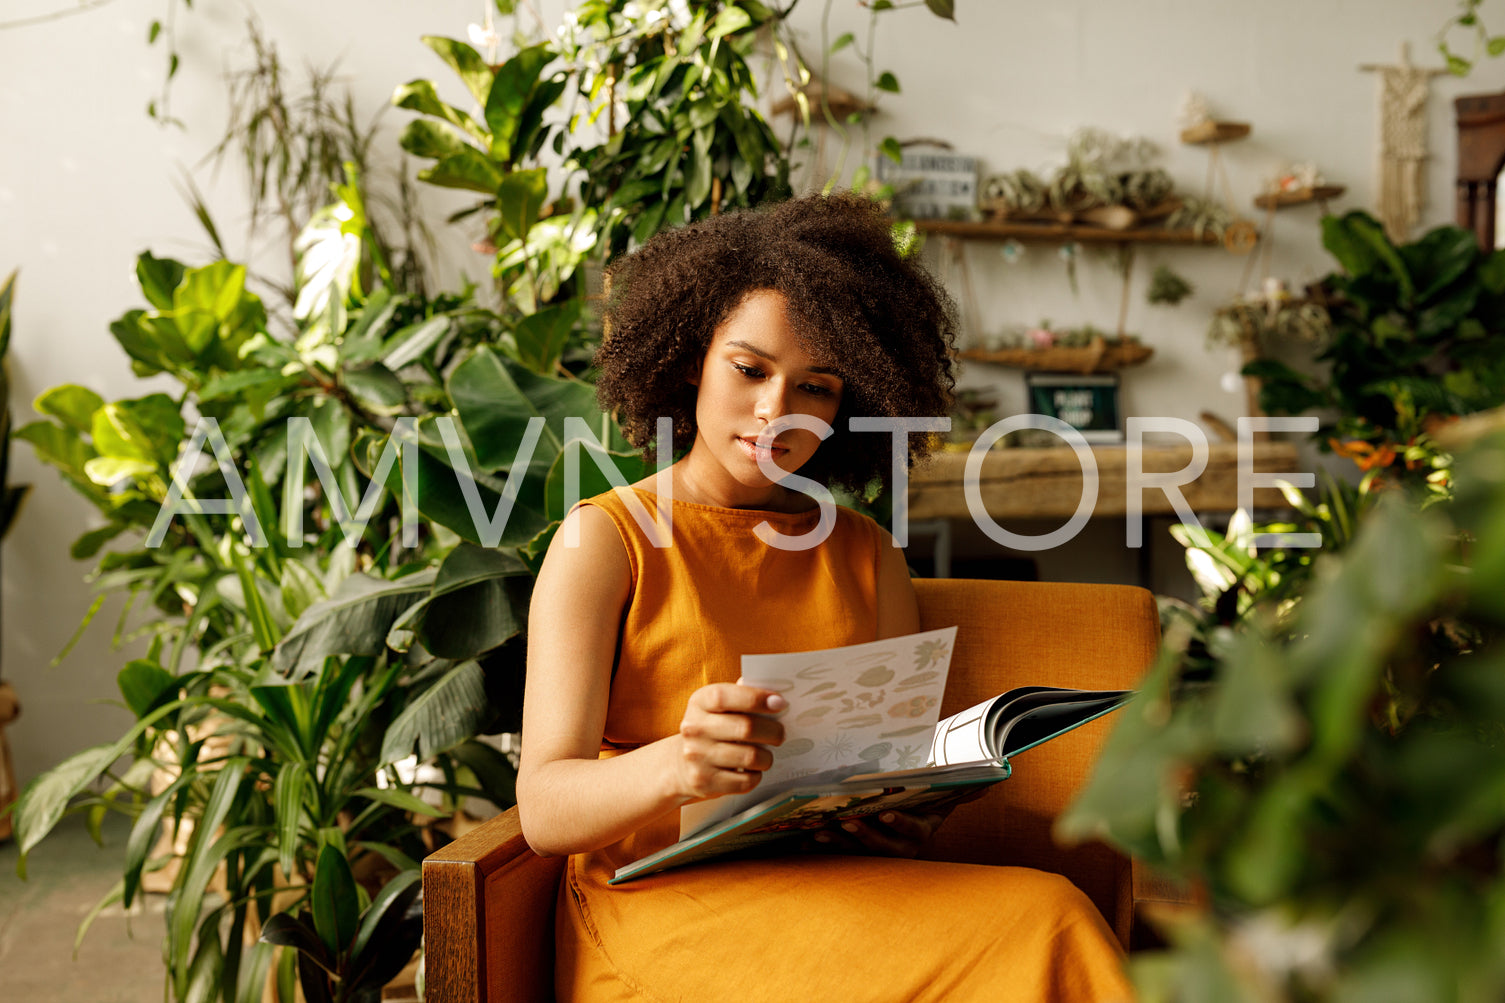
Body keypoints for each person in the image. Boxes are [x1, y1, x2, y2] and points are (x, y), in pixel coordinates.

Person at [517, 193, 1134, 1002]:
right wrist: (677, 763)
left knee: (1046, 911)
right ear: (690, 356)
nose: (776, 411)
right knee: (1039, 923)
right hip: (659, 913)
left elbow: (886, 773)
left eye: (816, 386)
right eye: (749, 369)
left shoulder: (865, 553)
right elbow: (542, 807)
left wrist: (906, 814)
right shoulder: (604, 541)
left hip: (835, 886)